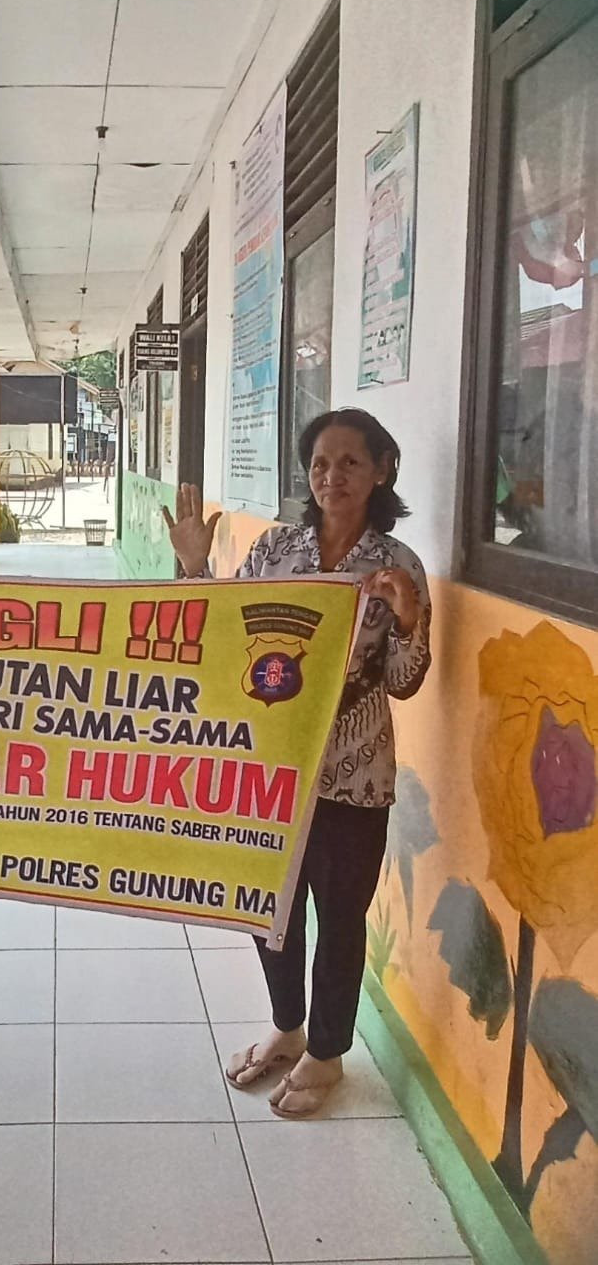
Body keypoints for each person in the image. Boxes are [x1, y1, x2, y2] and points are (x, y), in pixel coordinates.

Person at [161, 408, 431, 1118]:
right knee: (268, 905)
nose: (331, 476)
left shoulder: (399, 566)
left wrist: (408, 621)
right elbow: (219, 639)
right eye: (320, 463)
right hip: (272, 765)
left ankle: (329, 1053)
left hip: (354, 770)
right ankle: (288, 1027)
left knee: (340, 918)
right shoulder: (277, 548)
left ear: (382, 470)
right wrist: (194, 568)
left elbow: (404, 681)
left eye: (349, 462)